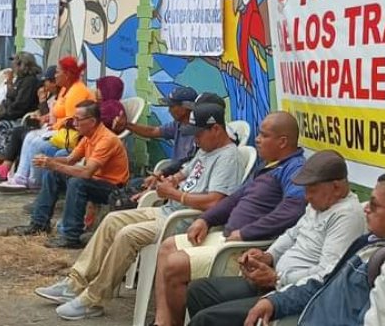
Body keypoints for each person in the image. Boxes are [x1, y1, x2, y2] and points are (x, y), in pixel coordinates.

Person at [34, 101, 246, 321]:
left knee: (128, 235)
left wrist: (174, 194)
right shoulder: (206, 149)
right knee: (112, 220)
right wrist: (165, 180)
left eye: (198, 134)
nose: (195, 139)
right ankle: (74, 282)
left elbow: (216, 203)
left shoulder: (228, 158)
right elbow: (185, 173)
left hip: (184, 221)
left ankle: (93, 299)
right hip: (169, 210)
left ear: (216, 129)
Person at [151, 111, 307, 326]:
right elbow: (236, 197)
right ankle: (163, 322)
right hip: (226, 236)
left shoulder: (294, 168)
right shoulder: (268, 166)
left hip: (242, 247)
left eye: (263, 135)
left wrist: (246, 232)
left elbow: (293, 209)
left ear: (283, 142)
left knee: (174, 265)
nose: (258, 140)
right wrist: (205, 220)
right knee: (168, 246)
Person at [243, 170, 385, 326]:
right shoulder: (379, 241)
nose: (366, 208)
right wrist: (276, 302)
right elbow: (325, 281)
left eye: (375, 205)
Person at [186, 150, 366, 326]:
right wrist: (268, 256)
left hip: (292, 294)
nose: (307, 196)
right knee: (198, 291)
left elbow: (327, 274)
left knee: (206, 319)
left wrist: (277, 278)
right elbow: (292, 234)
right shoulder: (319, 205)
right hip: (274, 281)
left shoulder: (346, 216)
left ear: (336, 187)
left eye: (312, 190)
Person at [7, 100, 131, 247]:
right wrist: (49, 161)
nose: (74, 123)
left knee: (77, 182)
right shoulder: (88, 136)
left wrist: (53, 164)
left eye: (78, 120)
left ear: (92, 121)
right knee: (53, 174)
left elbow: (86, 173)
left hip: (112, 188)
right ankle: (39, 223)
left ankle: (71, 235)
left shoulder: (106, 139)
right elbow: (69, 159)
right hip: (95, 181)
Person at [0, 56, 93, 184]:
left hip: (72, 135)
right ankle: (19, 177)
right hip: (58, 129)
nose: (55, 75)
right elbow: (58, 113)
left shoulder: (77, 91)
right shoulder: (65, 89)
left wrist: (52, 125)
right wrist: (47, 118)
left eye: (58, 72)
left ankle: (33, 181)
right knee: (30, 137)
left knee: (37, 142)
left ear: (67, 74)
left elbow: (73, 122)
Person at [113, 86, 200, 184]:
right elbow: (153, 131)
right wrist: (127, 125)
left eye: (172, 106)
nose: (169, 110)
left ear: (185, 108)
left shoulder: (201, 133)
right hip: (170, 175)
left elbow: (190, 165)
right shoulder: (177, 124)